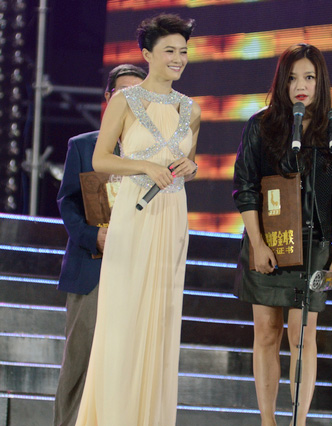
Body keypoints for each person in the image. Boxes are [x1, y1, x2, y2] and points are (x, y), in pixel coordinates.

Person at [75, 14, 200, 426]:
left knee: (162, 319)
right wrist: (145, 166)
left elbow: (187, 163)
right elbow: (101, 159)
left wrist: (191, 167)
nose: (178, 58)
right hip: (134, 214)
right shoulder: (124, 101)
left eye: (183, 51)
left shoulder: (191, 109)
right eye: (169, 51)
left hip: (172, 216)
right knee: (124, 317)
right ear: (147, 54)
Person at [233, 43, 332, 426]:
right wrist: (257, 244)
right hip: (267, 243)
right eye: (291, 78)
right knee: (266, 333)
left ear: (321, 82)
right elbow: (245, 188)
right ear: (281, 83)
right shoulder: (261, 126)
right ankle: (267, 421)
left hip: (315, 247)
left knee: (303, 337)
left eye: (309, 77)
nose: (300, 86)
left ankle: (298, 421)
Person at [54, 63, 146, 426]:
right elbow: (68, 203)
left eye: (138, 95)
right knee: (79, 366)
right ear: (108, 98)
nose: (130, 102)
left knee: (124, 369)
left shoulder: (153, 155)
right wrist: (94, 236)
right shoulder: (83, 146)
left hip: (135, 271)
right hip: (91, 267)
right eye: (123, 93)